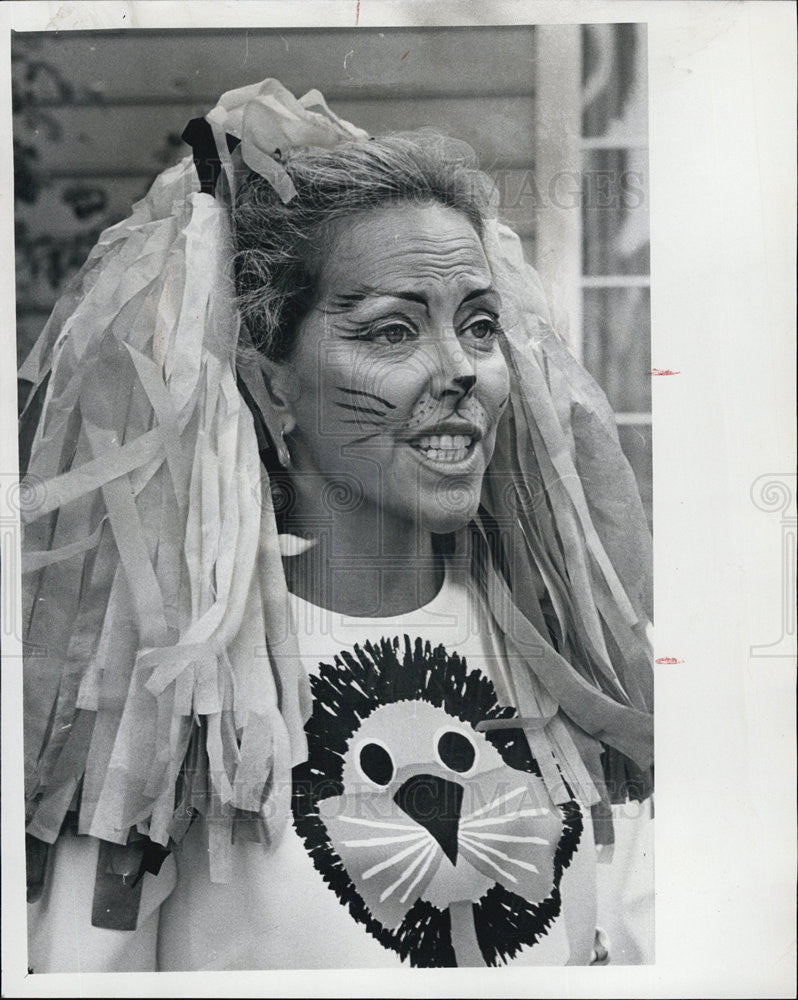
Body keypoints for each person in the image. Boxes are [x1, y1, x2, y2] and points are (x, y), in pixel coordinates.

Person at [20, 79, 653, 971]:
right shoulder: (171, 709)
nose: (461, 369)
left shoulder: (570, 666)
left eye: (479, 326)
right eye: (391, 332)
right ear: (270, 383)